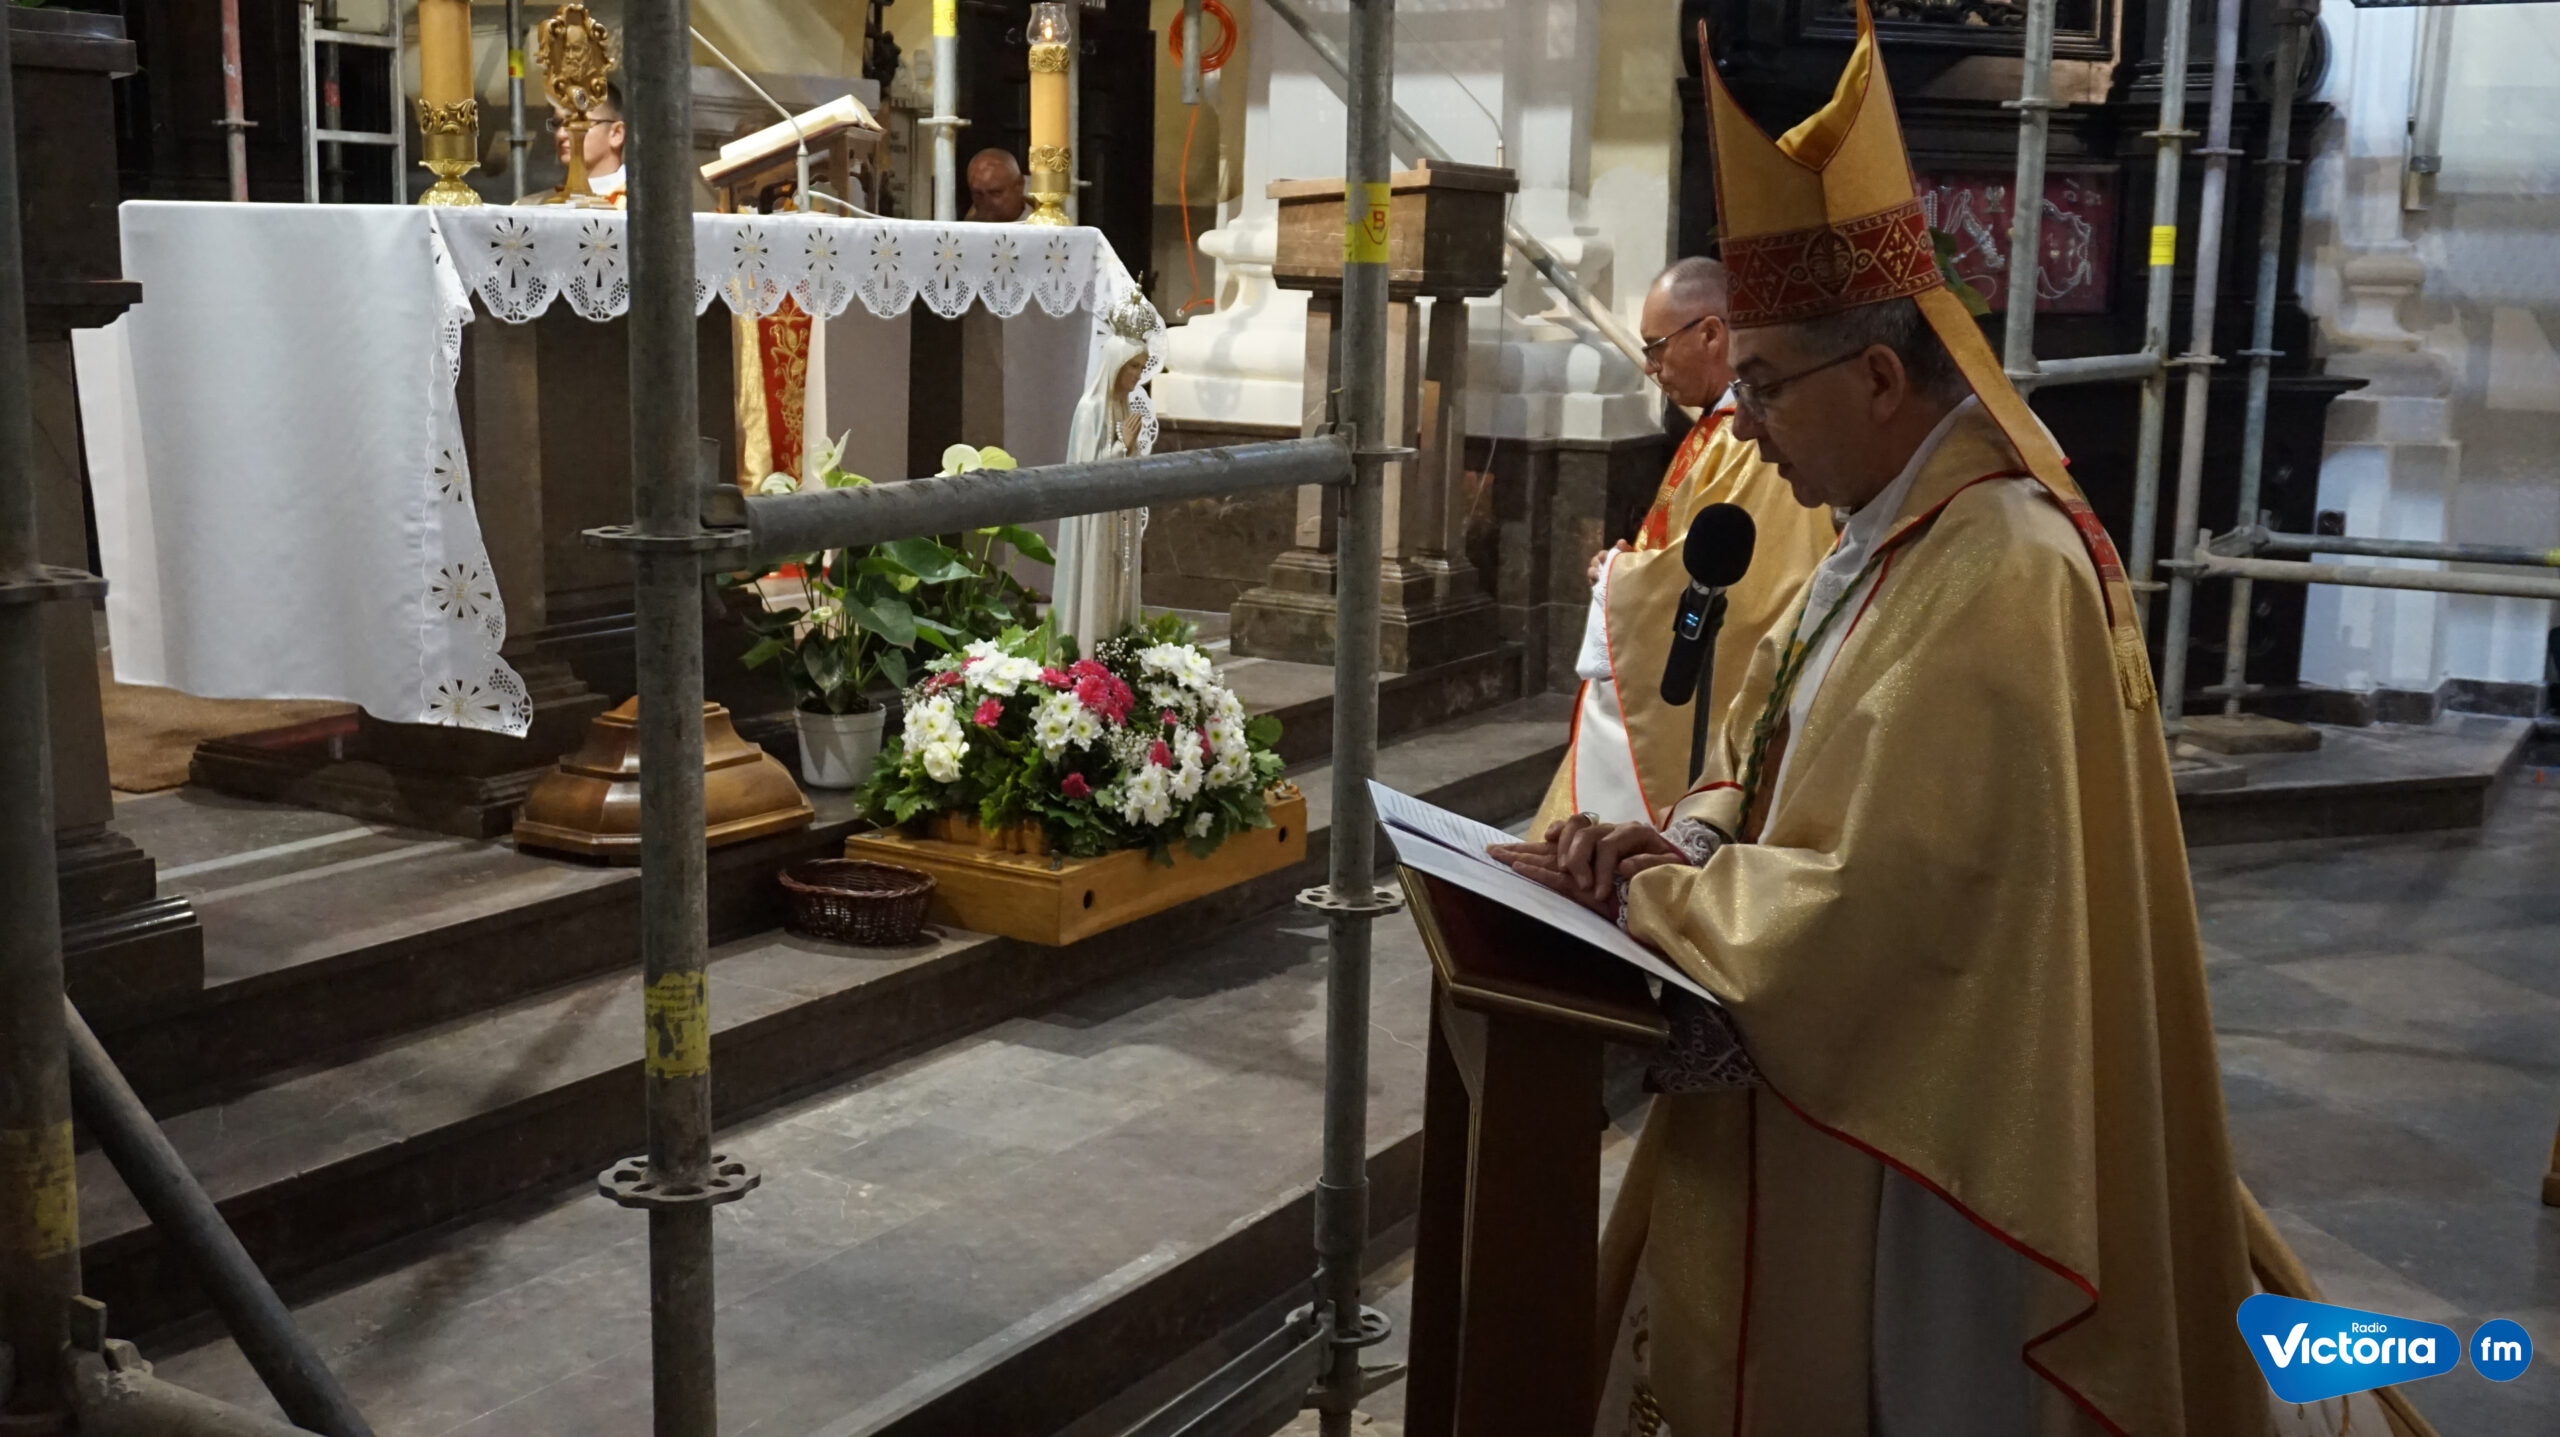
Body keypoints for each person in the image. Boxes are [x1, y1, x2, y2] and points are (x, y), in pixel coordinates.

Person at [1489, 3, 2314, 1431]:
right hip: (1846, 1096)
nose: (1741, 422)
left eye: (1763, 384)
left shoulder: (2003, 568)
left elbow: (1898, 906)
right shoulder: (1882, 532)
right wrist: (1684, 840)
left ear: (1878, 378)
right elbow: (1761, 743)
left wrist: (1663, 901)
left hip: (1938, 1154)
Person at [1528, 257, 1833, 835]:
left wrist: (1623, 577)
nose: (1650, 367)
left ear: (1711, 334)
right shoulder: (1716, 427)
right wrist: (1628, 565)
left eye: (1657, 347)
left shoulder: (1746, 443)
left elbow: (1753, 584)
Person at [964, 148, 1027, 223]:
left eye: (995, 193)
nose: (987, 203)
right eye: (978, 194)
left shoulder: (1038, 221)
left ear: (1019, 185)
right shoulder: (971, 223)